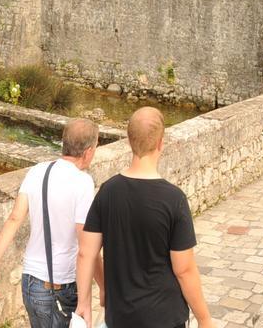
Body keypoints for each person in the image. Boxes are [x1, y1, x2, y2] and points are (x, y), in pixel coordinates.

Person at [75, 107, 213, 328]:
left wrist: (84, 301)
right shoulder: (173, 199)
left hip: (120, 317)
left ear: (129, 141)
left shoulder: (108, 191)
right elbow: (184, 269)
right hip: (164, 318)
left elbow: (86, 253)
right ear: (161, 143)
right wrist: (204, 319)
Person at [0, 118, 103, 328]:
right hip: (62, 286)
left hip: (31, 281)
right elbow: (87, 249)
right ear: (89, 151)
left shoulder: (38, 171)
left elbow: (14, 219)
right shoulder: (82, 182)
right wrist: (100, 288)